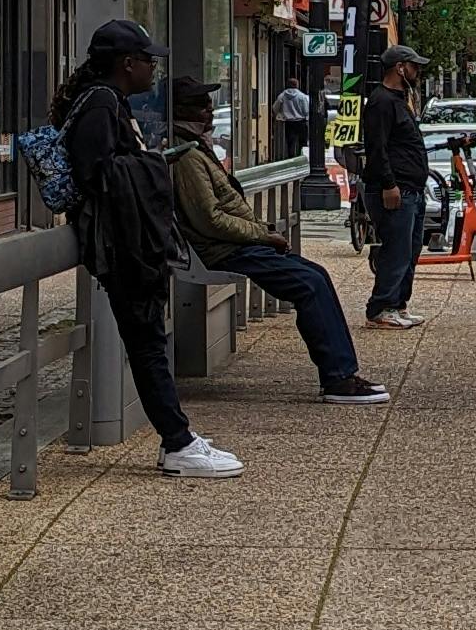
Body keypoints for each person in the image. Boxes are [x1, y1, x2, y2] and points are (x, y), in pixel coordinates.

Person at [53, 19, 243, 477]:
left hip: (129, 240)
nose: (155, 68)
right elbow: (96, 174)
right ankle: (177, 442)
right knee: (147, 345)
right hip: (124, 245)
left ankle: (178, 436)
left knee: (149, 343)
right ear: (127, 63)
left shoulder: (108, 100)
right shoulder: (101, 103)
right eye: (148, 60)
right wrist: (153, 164)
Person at [163, 78, 389, 404]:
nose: (210, 109)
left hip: (234, 244)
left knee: (317, 276)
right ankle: (338, 378)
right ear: (184, 111)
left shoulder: (196, 149)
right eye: (201, 104)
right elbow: (210, 218)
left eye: (208, 103)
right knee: (308, 283)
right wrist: (263, 235)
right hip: (224, 249)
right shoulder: (187, 157)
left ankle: (343, 373)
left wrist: (262, 234)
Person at [359, 46, 434, 328]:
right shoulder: (381, 102)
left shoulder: (400, 101)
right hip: (393, 190)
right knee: (397, 249)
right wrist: (389, 185)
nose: (418, 72)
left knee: (410, 249)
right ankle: (381, 307)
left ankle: (398, 304)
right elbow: (377, 148)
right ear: (400, 68)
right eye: (415, 67)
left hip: (411, 189)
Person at [275, 79, 310, 156]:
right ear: (297, 85)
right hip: (301, 121)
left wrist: (280, 113)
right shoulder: (302, 96)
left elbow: (275, 107)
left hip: (289, 122)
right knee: (302, 142)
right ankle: (300, 156)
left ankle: (290, 157)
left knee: (290, 142)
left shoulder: (282, 95)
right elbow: (306, 110)